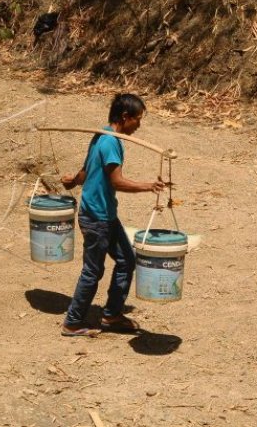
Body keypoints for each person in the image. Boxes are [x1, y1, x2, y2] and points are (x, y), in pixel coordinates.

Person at [60, 93, 164, 337]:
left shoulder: (102, 135)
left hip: (103, 214)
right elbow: (117, 182)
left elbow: (86, 171)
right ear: (125, 117)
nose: (139, 124)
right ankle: (72, 322)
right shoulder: (110, 143)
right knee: (93, 271)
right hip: (97, 218)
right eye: (137, 119)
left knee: (126, 260)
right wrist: (148, 186)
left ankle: (112, 315)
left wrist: (72, 182)